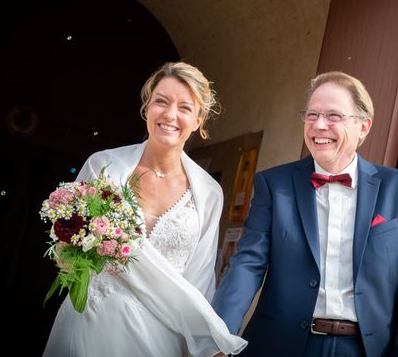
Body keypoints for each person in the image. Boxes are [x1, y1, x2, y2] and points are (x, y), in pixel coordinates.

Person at [212, 71, 398, 357]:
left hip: (364, 349)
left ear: (363, 127)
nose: (319, 125)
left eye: (333, 116)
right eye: (312, 115)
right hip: (279, 346)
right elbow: (247, 263)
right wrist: (219, 334)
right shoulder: (274, 184)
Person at [44, 62, 247, 357]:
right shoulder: (103, 166)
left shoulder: (209, 193)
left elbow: (200, 280)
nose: (170, 115)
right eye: (161, 102)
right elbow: (68, 245)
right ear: (147, 107)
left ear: (199, 119)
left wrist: (204, 344)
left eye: (185, 108)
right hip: (91, 322)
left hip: (160, 337)